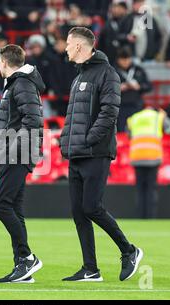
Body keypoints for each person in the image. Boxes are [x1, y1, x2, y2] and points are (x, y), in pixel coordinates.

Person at [60, 27, 143, 282]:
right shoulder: (78, 77)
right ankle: (90, 269)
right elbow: (72, 117)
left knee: (91, 207)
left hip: (96, 152)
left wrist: (88, 140)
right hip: (76, 154)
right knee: (78, 211)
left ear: (78, 46)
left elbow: (110, 112)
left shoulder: (107, 74)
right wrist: (67, 143)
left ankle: (129, 251)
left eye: (67, 43)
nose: (64, 48)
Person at [0, 44, 44, 283]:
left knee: (0, 205)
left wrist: (13, 151)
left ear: (4, 62)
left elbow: (33, 120)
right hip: (12, 153)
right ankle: (22, 267)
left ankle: (27, 257)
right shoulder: (18, 84)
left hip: (17, 154)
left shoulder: (21, 83)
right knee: (14, 208)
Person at [127, 106, 170, 219]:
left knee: (140, 189)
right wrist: (165, 116)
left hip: (137, 157)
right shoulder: (159, 117)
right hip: (152, 156)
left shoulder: (134, 118)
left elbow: (128, 134)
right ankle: (150, 217)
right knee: (150, 189)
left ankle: (140, 217)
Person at [115, 47, 152, 132]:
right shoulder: (112, 71)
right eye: (122, 59)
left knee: (137, 130)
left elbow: (149, 86)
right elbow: (104, 89)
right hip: (120, 107)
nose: (125, 62)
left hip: (136, 105)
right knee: (121, 132)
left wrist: (139, 87)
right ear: (118, 59)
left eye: (127, 59)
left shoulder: (138, 70)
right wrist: (117, 88)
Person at [97, 2, 129, 66]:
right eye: (114, 7)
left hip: (125, 58)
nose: (116, 10)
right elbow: (101, 43)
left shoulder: (128, 22)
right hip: (110, 59)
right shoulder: (108, 25)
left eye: (119, 8)